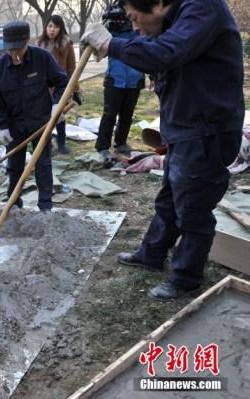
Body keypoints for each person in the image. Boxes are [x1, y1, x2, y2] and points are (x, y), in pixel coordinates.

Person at [81, 0, 244, 301]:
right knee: (169, 199)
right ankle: (152, 253)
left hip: (207, 131)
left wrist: (110, 44)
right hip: (186, 129)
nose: (134, 27)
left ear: (156, 4)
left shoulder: (203, 8)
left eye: (134, 18)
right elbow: (167, 59)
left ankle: (185, 279)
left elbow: (168, 53)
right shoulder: (175, 20)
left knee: (194, 211)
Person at [0, 21, 69, 211]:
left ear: (27, 41)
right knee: (14, 167)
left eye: (18, 48)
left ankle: (45, 206)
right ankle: (14, 204)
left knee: (43, 164)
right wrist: (2, 126)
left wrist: (57, 105)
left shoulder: (42, 58)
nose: (14, 53)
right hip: (14, 126)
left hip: (41, 122)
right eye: (10, 49)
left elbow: (62, 81)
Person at [94, 20, 145, 159]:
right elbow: (99, 49)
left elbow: (149, 51)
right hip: (115, 79)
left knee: (127, 115)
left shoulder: (142, 27)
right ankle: (102, 147)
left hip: (135, 79)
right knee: (109, 115)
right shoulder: (112, 28)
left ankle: (121, 143)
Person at [36, 14, 81, 155]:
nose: (52, 29)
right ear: (46, 27)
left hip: (61, 86)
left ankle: (61, 143)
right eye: (49, 26)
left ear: (60, 28)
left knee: (60, 116)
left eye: (55, 26)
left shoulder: (66, 44)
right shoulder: (39, 45)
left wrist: (75, 89)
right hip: (43, 87)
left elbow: (72, 68)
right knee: (45, 117)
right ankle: (46, 144)